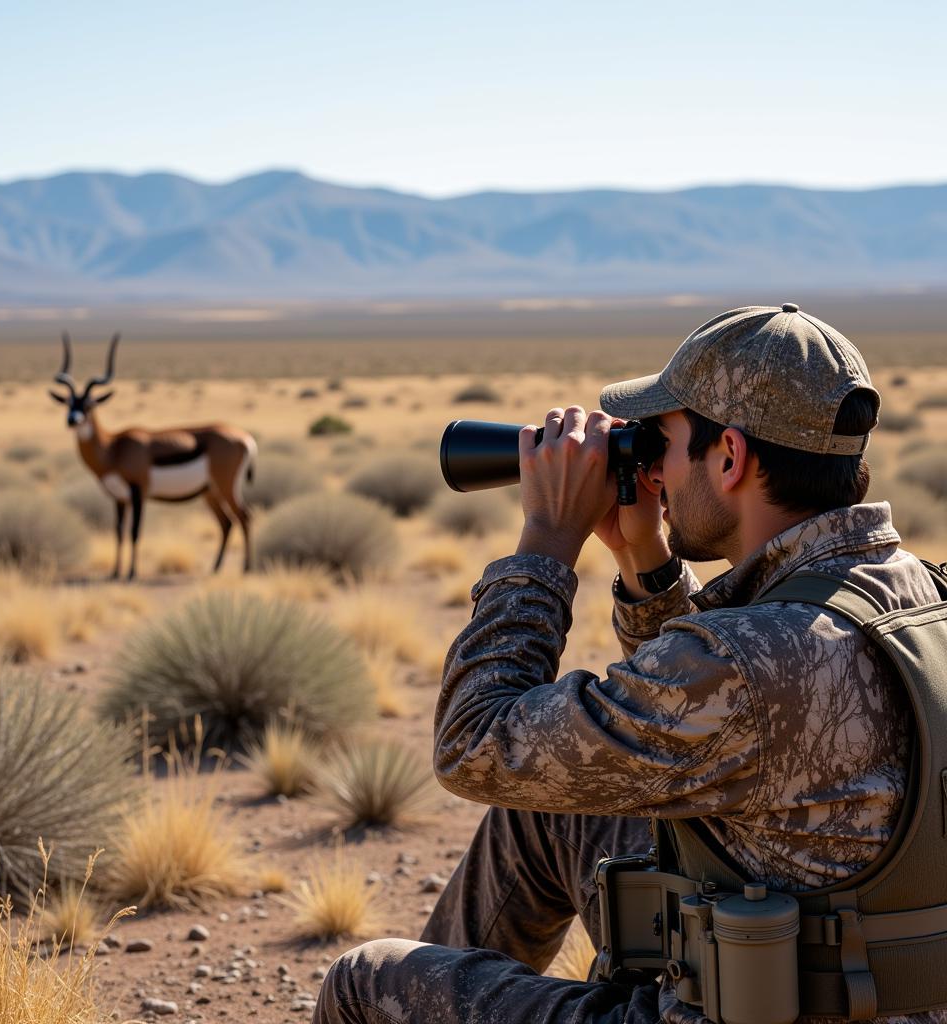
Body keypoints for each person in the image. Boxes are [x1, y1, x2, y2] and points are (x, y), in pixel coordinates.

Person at [312, 304, 947, 1024]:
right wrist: (644, 557)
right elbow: (706, 728)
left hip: (762, 1006)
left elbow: (474, 746)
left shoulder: (746, 665)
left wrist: (547, 538)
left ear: (730, 458)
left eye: (664, 442)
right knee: (547, 815)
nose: (653, 468)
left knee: (365, 979)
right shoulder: (919, 595)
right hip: (880, 983)